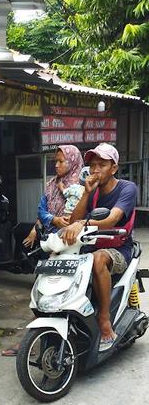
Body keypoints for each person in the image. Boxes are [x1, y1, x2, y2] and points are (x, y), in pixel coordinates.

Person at [2, 144, 84, 356]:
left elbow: (88, 215)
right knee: (41, 294)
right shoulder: (50, 185)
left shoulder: (84, 186)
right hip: (53, 246)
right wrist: (54, 219)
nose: (56, 165)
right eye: (55, 161)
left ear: (73, 161)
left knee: (71, 295)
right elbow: (41, 210)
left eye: (61, 161)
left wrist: (75, 223)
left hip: (78, 249)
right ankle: (32, 340)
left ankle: (73, 339)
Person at [63, 143, 137, 351]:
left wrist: (83, 224)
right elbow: (73, 222)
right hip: (90, 246)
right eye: (93, 165)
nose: (95, 169)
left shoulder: (127, 188)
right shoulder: (92, 192)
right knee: (56, 260)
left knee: (98, 259)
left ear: (113, 168)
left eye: (102, 165)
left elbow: (112, 219)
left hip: (118, 249)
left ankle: (104, 319)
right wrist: (86, 194)